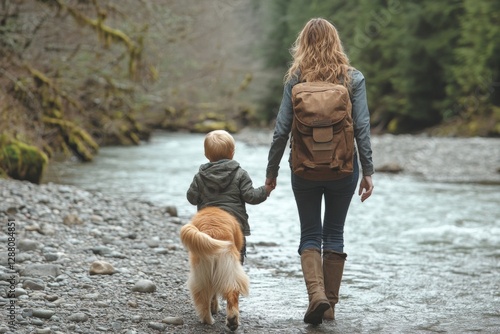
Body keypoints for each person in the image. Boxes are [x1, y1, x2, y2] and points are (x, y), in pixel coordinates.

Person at [265, 18, 374, 325]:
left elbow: (281, 130)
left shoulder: (295, 79)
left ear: (303, 45)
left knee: (310, 233)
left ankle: (317, 297)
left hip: (304, 169)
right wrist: (368, 170)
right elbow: (362, 127)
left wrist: (271, 170)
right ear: (336, 43)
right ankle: (330, 309)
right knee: (334, 234)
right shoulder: (353, 78)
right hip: (343, 168)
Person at [187, 130, 272, 264]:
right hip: (234, 228)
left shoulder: (200, 176)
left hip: (208, 227)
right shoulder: (240, 174)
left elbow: (191, 199)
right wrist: (265, 190)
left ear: (206, 154)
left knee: (209, 260)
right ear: (232, 153)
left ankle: (212, 282)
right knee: (235, 261)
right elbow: (251, 197)